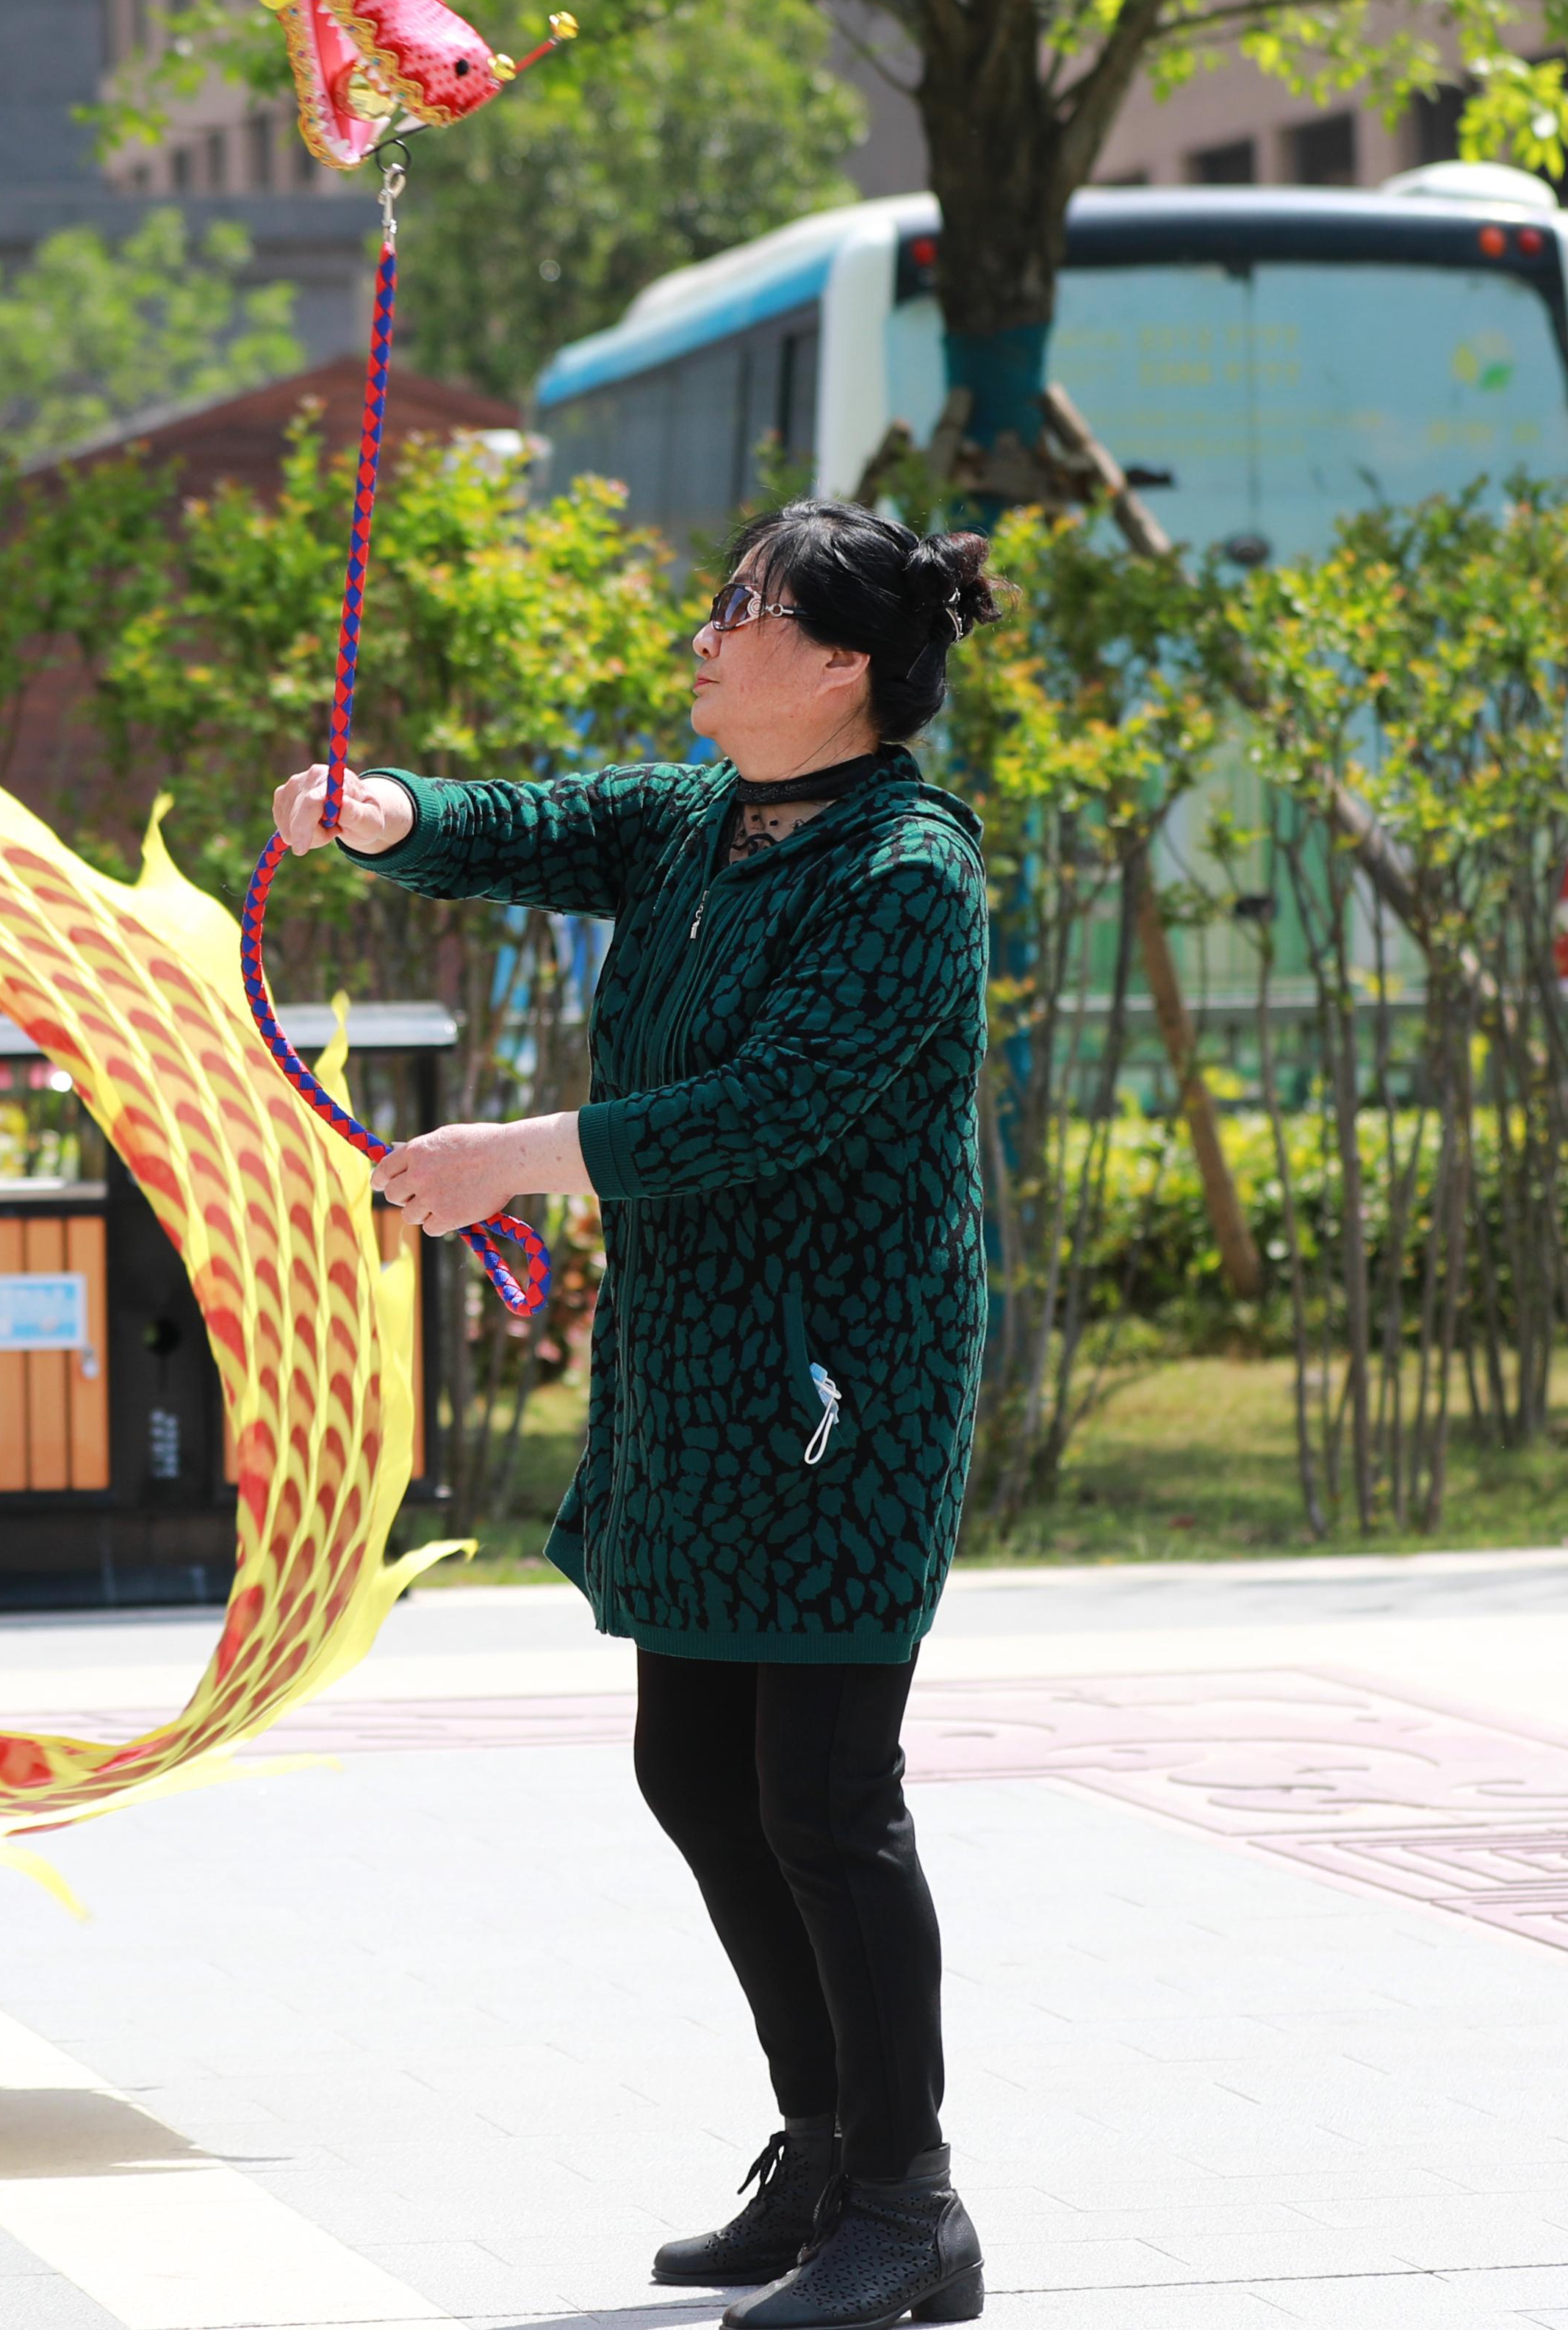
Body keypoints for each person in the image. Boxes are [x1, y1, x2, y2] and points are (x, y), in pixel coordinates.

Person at [276, 500, 999, 2330]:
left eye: (742, 607)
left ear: (838, 667)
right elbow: (533, 823)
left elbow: (767, 1109)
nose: (705, 628)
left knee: (827, 1797)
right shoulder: (699, 819)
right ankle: (825, 2146)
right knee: (694, 1769)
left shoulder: (905, 875)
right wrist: (389, 814)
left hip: (843, 1383)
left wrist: (508, 1158)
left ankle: (910, 2202)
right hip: (695, 1374)